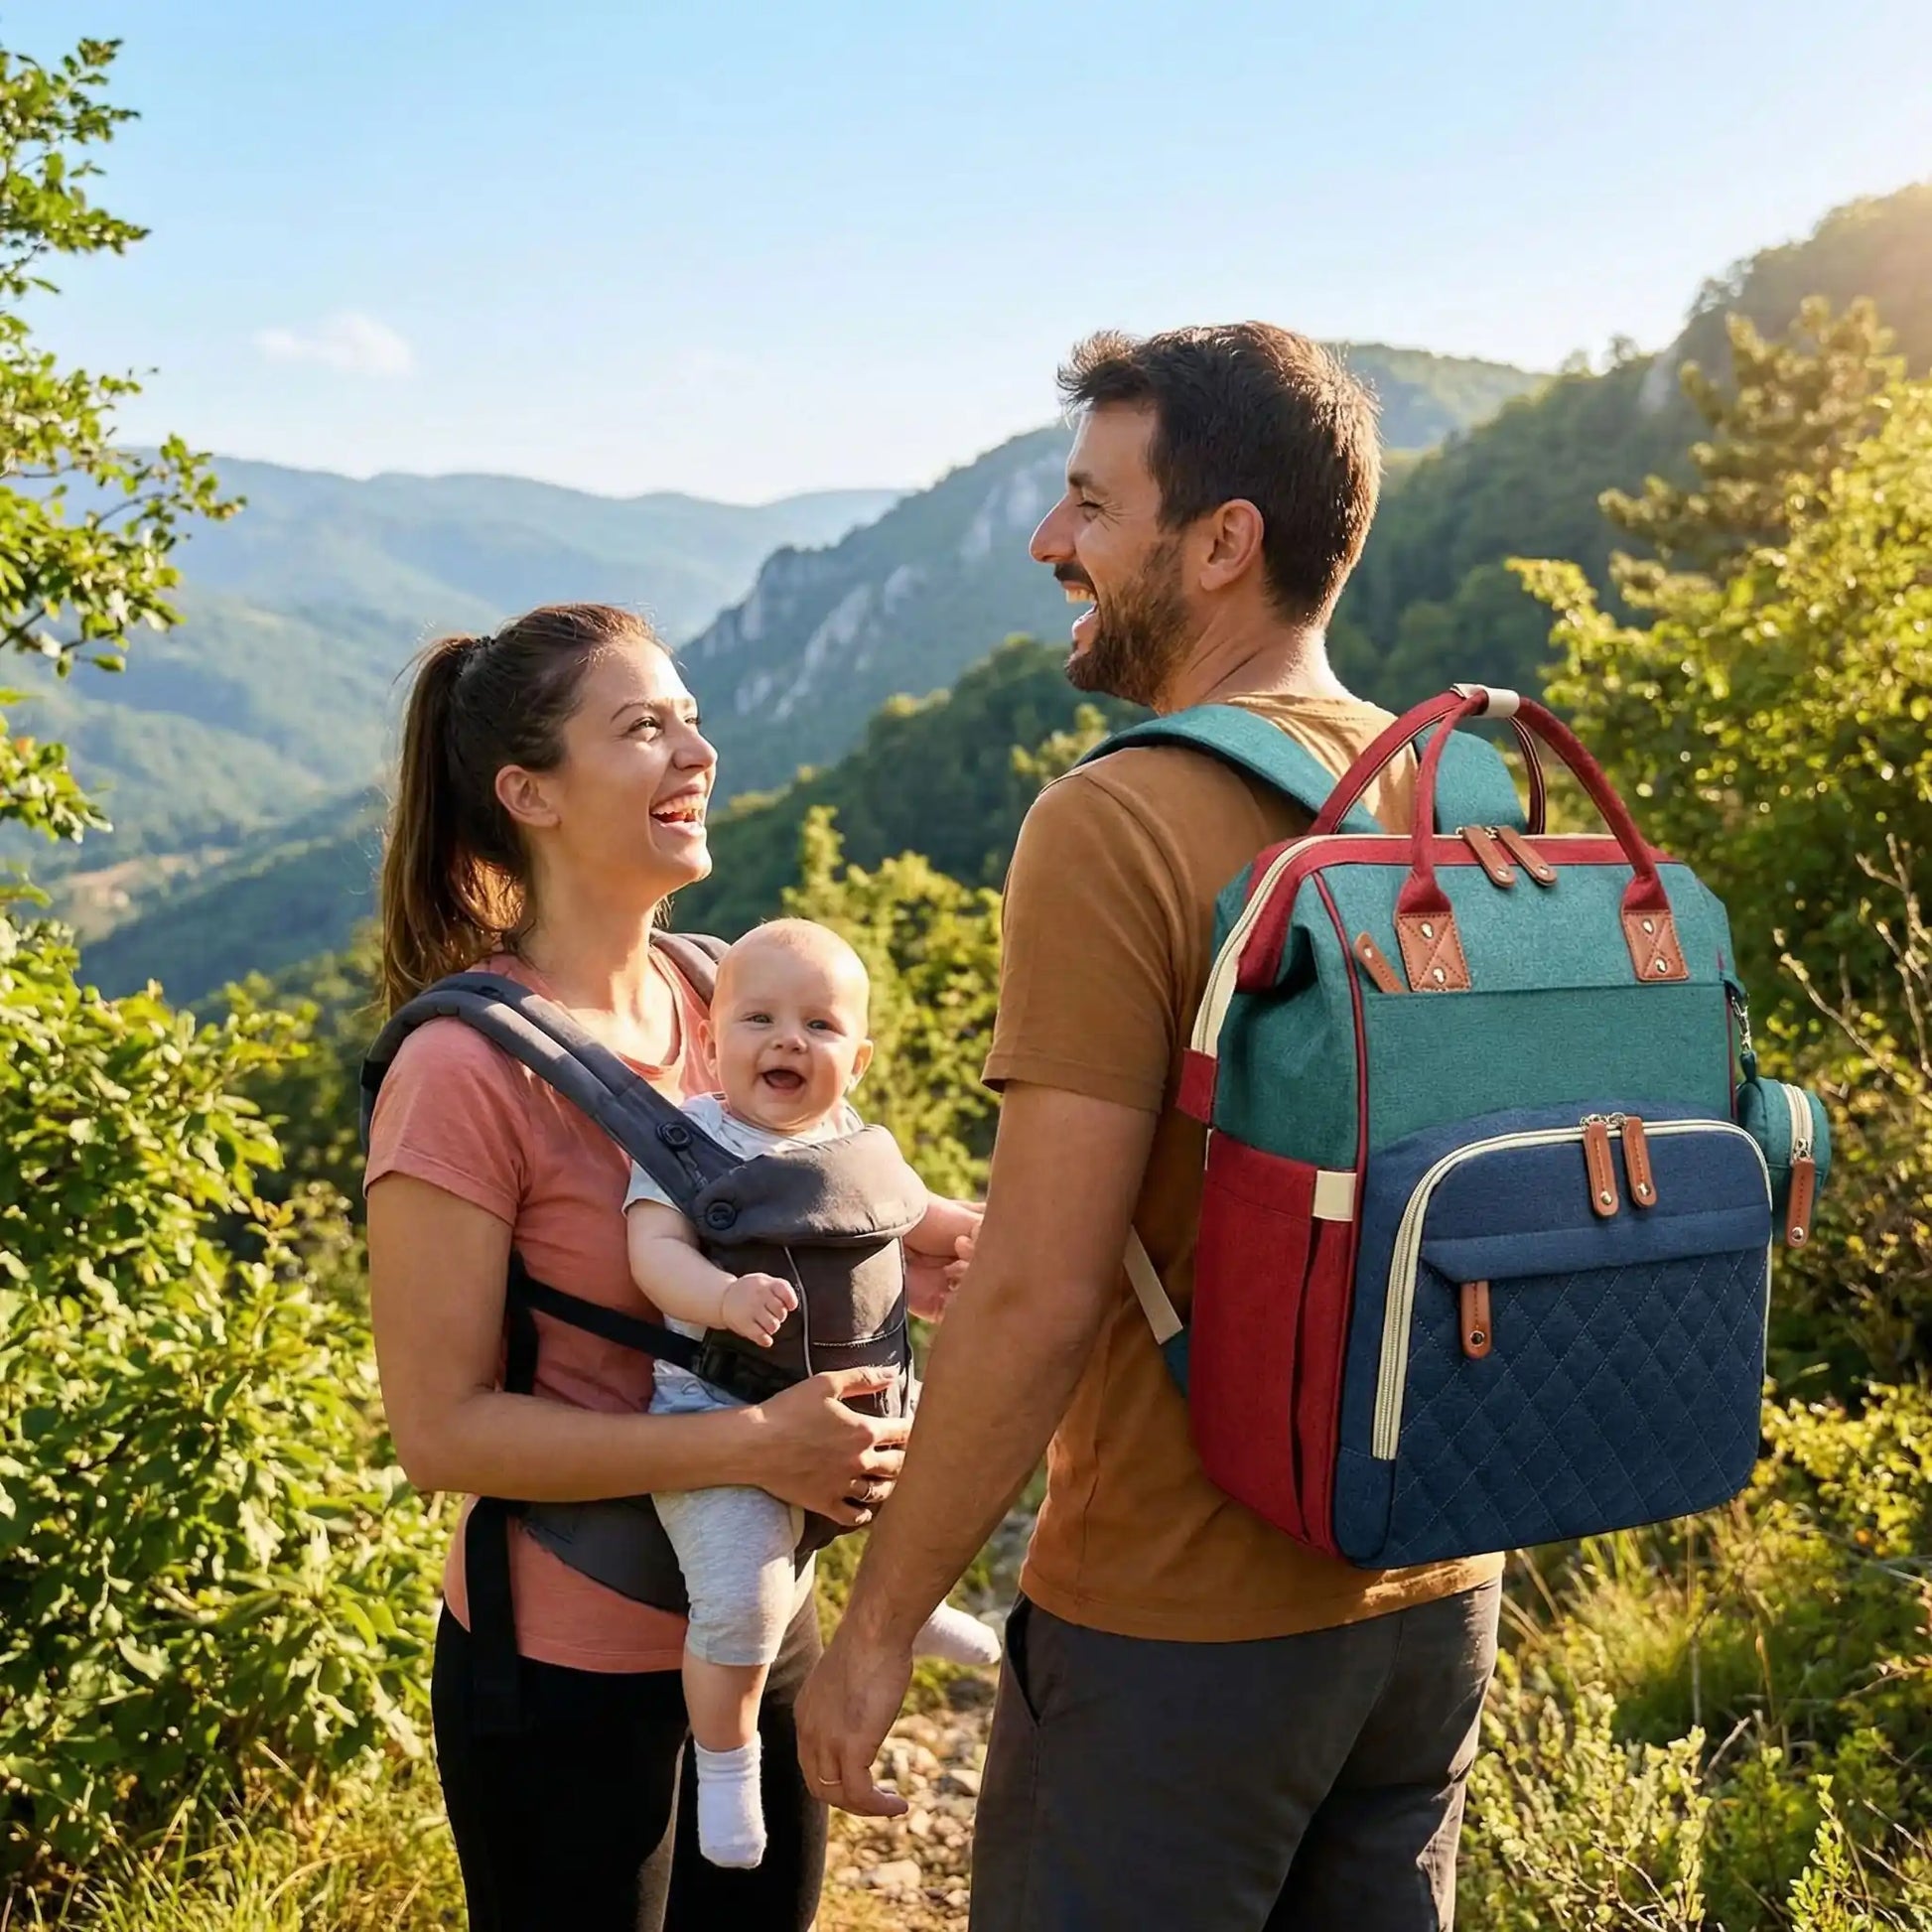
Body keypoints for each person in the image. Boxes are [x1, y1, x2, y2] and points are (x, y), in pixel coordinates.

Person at [797, 327, 1504, 1931]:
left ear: (1221, 543)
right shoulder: (1447, 797)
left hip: (1177, 1631)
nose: (1051, 542)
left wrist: (880, 1624)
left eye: (1088, 506)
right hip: (1433, 1597)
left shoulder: (1113, 820)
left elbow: (1041, 1294)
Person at [363, 603, 958, 1931]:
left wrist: (910, 1253)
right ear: (530, 793)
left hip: (766, 1628)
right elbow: (439, 1430)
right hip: (564, 1673)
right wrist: (757, 1441)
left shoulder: (725, 994)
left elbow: (815, 1198)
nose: (696, 749)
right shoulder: (459, 1075)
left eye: (689, 716)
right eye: (643, 727)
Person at [623, 916, 998, 1870]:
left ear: (858, 1059)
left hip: (866, 1404)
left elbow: (926, 1214)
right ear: (711, 1043)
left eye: (820, 1026)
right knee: (742, 1601)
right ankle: (727, 1760)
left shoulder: (858, 1146)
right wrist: (721, 1295)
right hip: (725, 1425)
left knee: (932, 1489)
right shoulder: (685, 1145)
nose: (789, 1040)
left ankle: (908, 1611)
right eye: (759, 1019)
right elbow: (652, 1251)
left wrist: (990, 1235)